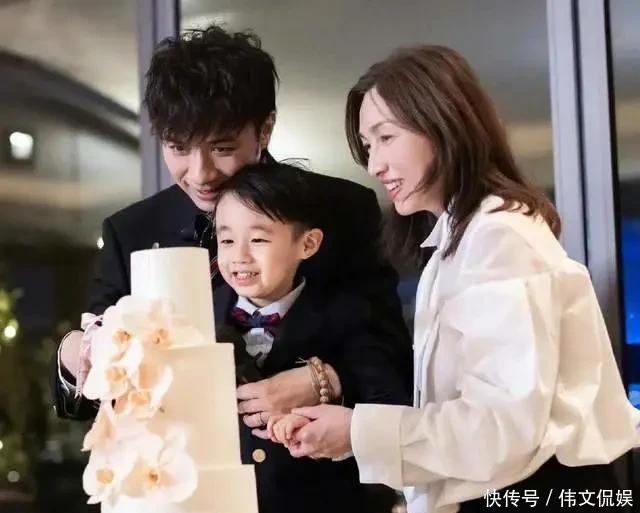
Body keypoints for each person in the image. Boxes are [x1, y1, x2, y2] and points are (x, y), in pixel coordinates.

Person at [270, 45, 640, 513]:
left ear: (440, 123)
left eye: (386, 137)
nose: (374, 164)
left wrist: (359, 433)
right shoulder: (461, 240)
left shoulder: (499, 236)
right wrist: (353, 436)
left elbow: (500, 427)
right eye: (368, 146)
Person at [51, 22, 412, 477]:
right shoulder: (132, 231)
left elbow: (390, 355)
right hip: (185, 488)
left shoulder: (339, 209)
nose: (200, 173)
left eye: (222, 148)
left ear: (265, 128)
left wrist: (325, 379)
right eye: (178, 148)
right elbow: (90, 395)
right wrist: (74, 353)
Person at [212, 162, 408, 513]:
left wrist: (331, 388)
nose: (239, 256)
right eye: (226, 240)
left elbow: (388, 396)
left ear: (308, 244)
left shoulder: (348, 313)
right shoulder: (196, 314)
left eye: (258, 239)